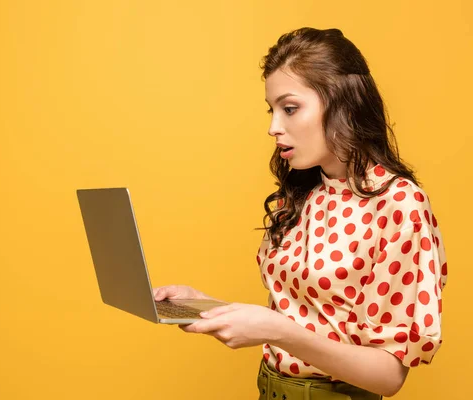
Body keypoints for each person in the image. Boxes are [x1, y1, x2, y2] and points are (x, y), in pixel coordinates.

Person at [153, 27, 447, 399]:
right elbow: (305, 317)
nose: (274, 127)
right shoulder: (304, 193)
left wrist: (277, 330)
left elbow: (389, 376)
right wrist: (203, 307)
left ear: (344, 104)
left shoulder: (399, 204)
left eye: (290, 108)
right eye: (272, 110)